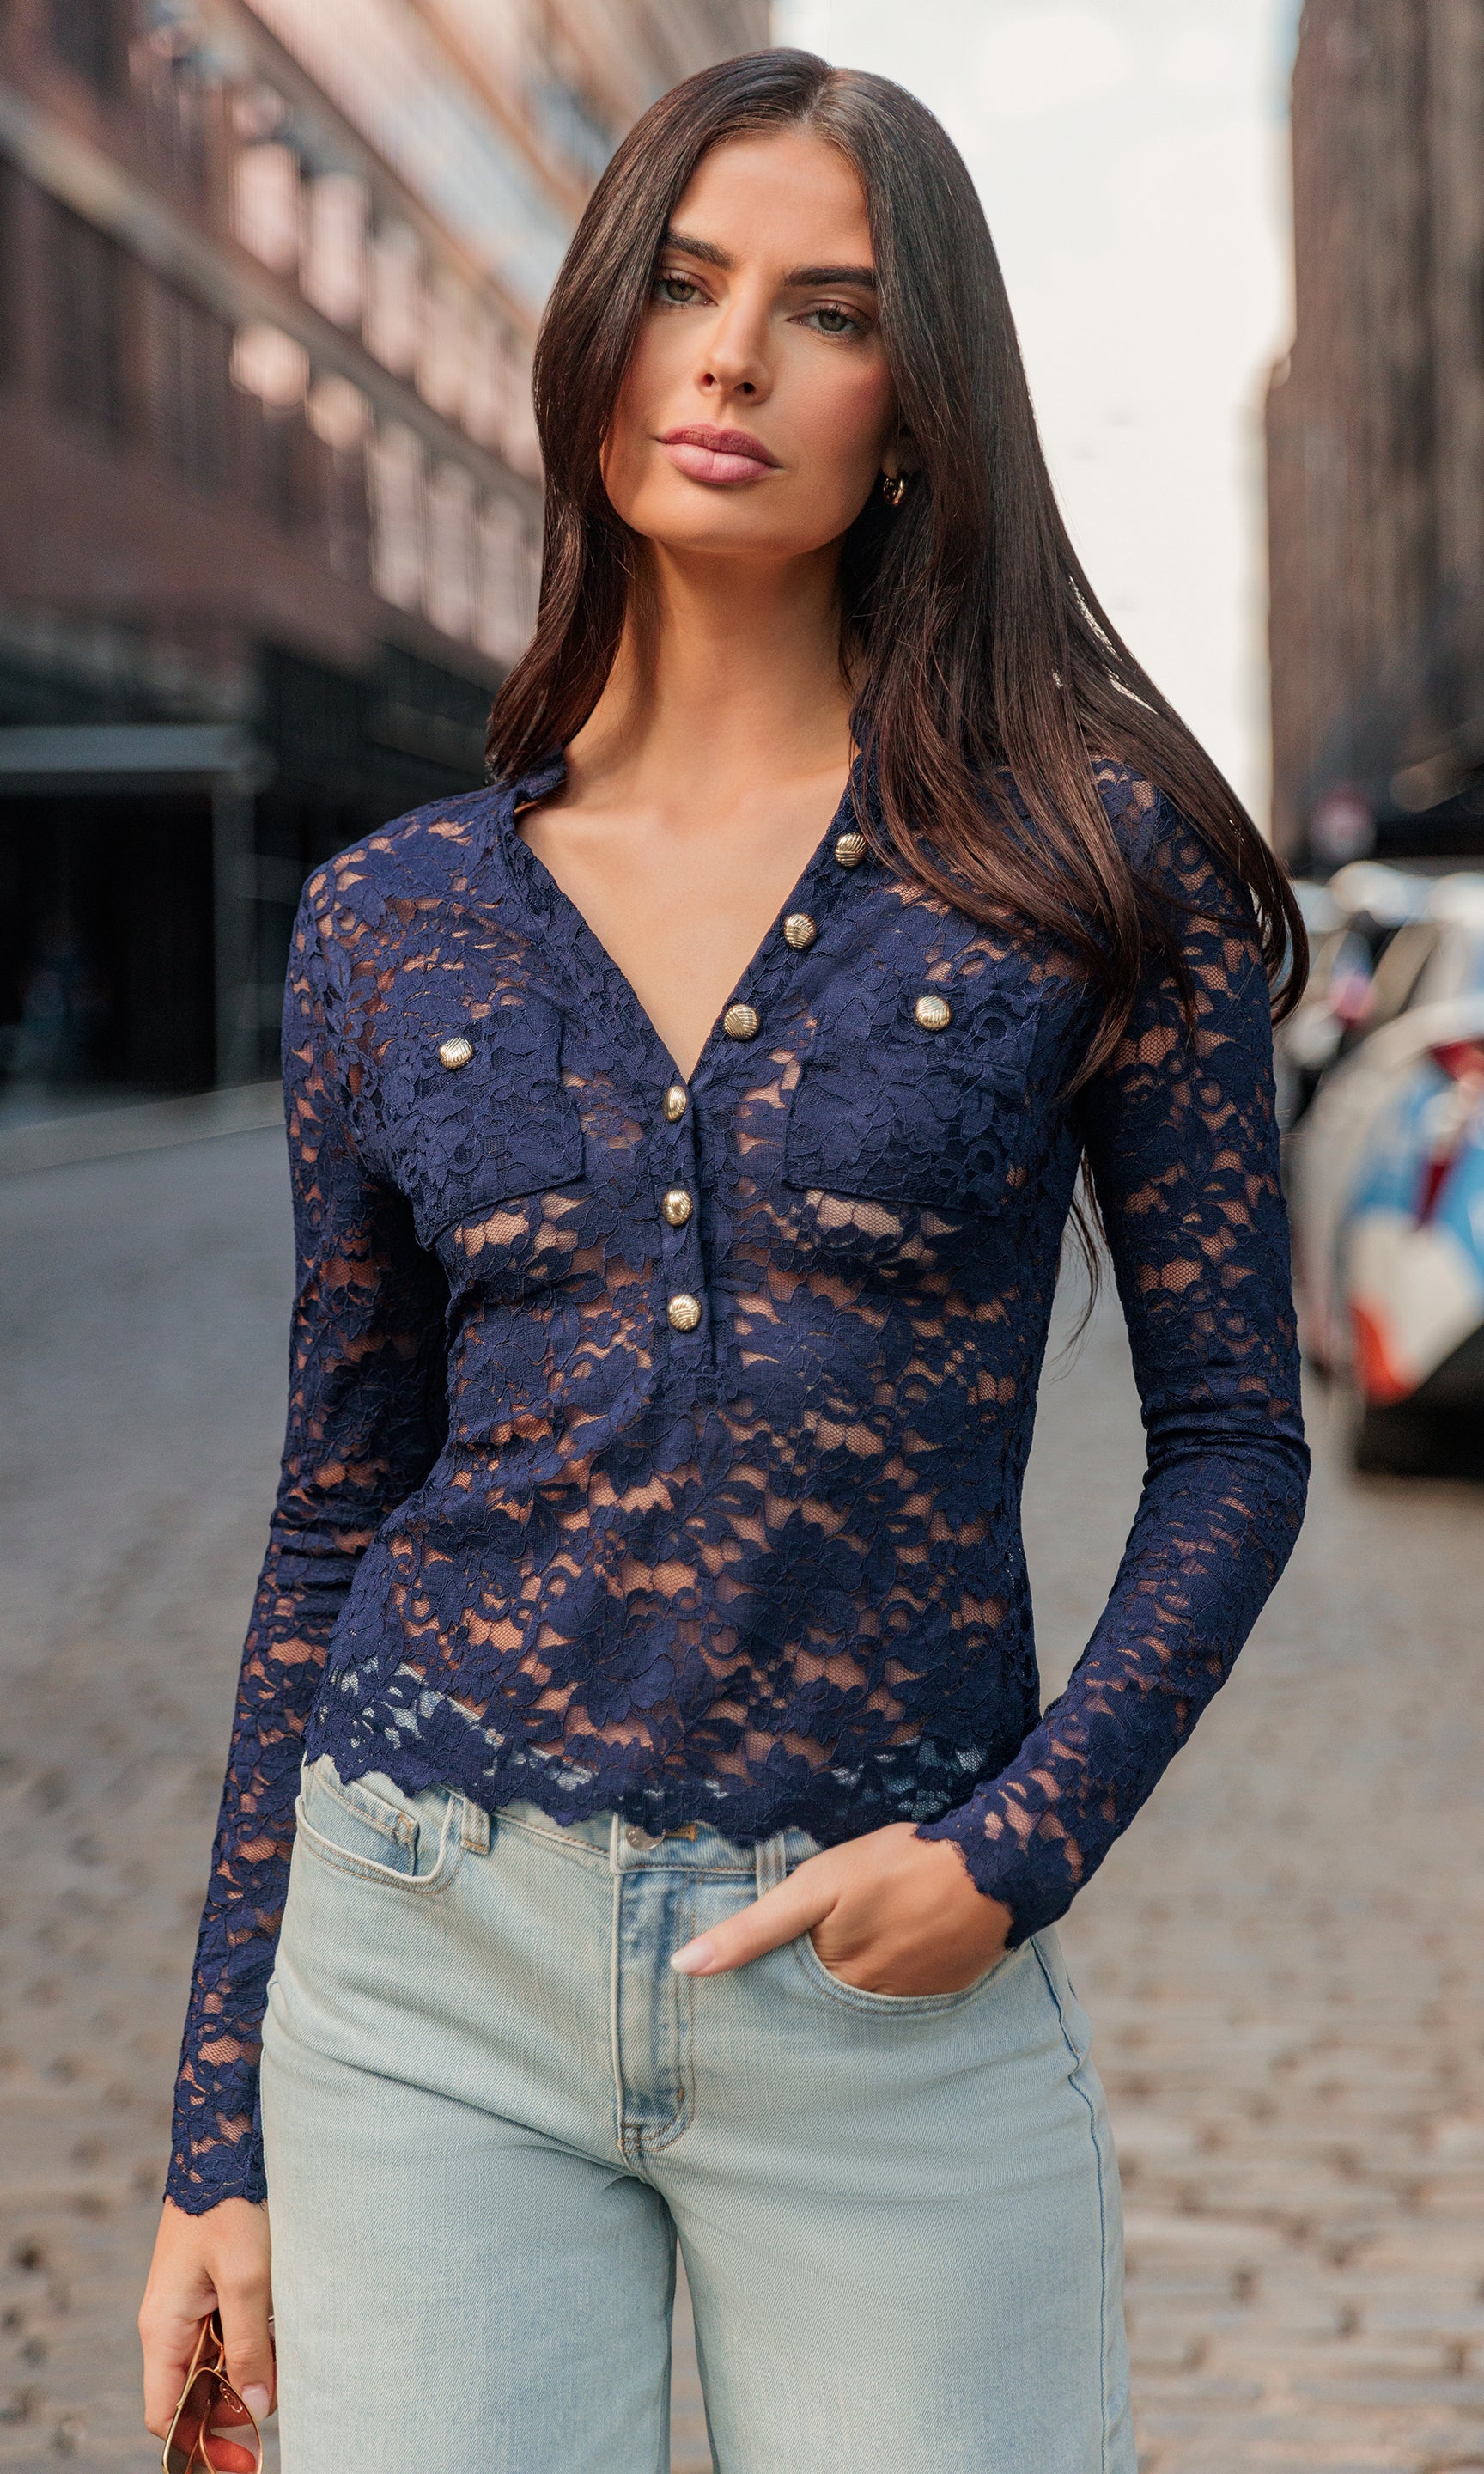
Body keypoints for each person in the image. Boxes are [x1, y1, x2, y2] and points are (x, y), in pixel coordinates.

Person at [139, 49, 1309, 2474]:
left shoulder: (1086, 872)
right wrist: (213, 2140)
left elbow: (1232, 1447)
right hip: (420, 1949)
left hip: (884, 1986)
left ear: (923, 408)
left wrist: (1020, 1851)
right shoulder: (393, 920)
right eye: (682, 284)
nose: (733, 358)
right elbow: (332, 1505)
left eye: (828, 310)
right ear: (595, 335)